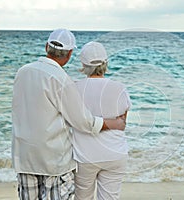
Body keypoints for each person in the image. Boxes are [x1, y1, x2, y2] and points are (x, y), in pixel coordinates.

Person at [11, 29, 126, 200]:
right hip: (53, 161)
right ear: (70, 54)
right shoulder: (61, 79)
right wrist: (112, 124)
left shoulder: (22, 72)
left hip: (24, 157)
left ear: (46, 47)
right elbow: (83, 122)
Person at [72, 41, 132, 200]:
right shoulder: (119, 88)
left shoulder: (74, 88)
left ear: (83, 64)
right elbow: (122, 123)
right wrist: (110, 122)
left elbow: (73, 121)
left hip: (84, 156)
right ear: (105, 63)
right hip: (115, 153)